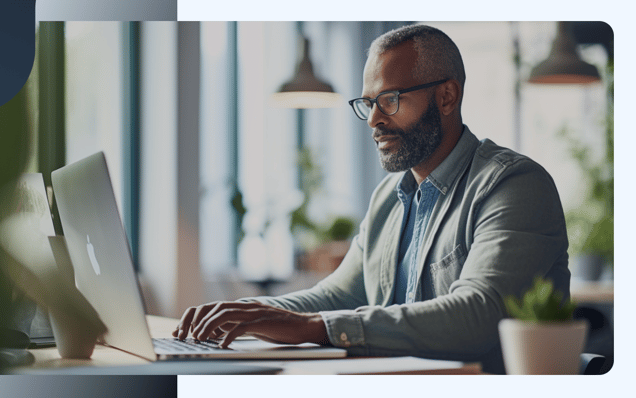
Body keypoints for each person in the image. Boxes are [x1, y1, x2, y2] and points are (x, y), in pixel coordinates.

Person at [173, 24, 570, 374]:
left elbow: (479, 314)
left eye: (391, 99)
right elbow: (337, 296)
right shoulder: (388, 198)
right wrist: (249, 314)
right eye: (368, 103)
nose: (376, 120)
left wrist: (315, 327)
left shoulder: (514, 184)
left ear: (447, 97)